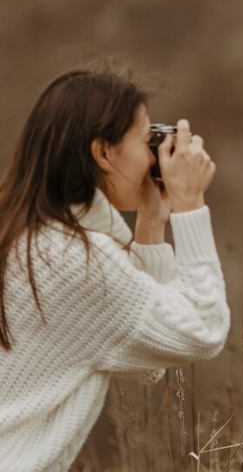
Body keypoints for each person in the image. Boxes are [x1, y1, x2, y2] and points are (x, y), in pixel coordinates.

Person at [0, 68, 230, 472]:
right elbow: (202, 331)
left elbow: (148, 356)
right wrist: (190, 206)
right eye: (147, 141)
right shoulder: (71, 260)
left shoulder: (22, 234)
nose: (155, 155)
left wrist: (152, 223)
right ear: (103, 153)